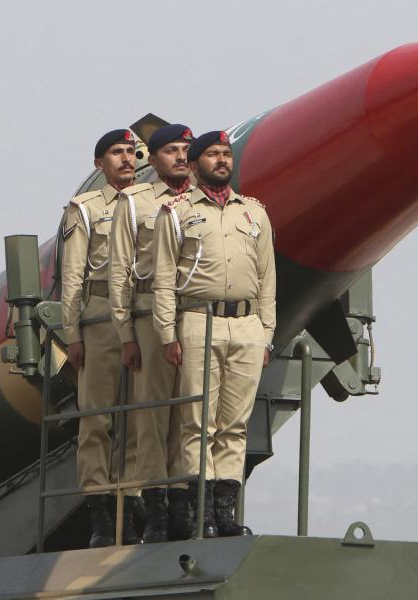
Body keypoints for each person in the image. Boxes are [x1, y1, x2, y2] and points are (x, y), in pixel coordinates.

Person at [151, 130, 276, 538]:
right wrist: (168, 333)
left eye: (226, 154)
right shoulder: (177, 211)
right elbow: (165, 279)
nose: (222, 160)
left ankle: (225, 516)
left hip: (245, 325)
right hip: (197, 322)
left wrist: (266, 334)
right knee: (196, 422)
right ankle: (198, 513)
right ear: (195, 163)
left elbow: (266, 279)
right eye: (213, 154)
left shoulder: (253, 213)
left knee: (234, 424)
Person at [107, 124, 196, 543]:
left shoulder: (204, 203)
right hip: (148, 319)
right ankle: (156, 511)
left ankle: (183, 507)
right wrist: (125, 332)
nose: (180, 156)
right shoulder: (135, 202)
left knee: (190, 417)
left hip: (195, 319)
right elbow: (120, 269)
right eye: (171, 150)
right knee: (152, 417)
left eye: (185, 150)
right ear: (155, 158)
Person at [60, 128, 140, 547]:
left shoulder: (151, 204)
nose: (126, 159)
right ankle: (101, 515)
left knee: (138, 419)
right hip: (101, 321)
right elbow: (73, 276)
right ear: (99, 164)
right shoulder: (86, 209)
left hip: (142, 321)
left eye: (131, 152)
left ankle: (133, 507)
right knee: (98, 420)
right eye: (116, 152)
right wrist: (72, 333)